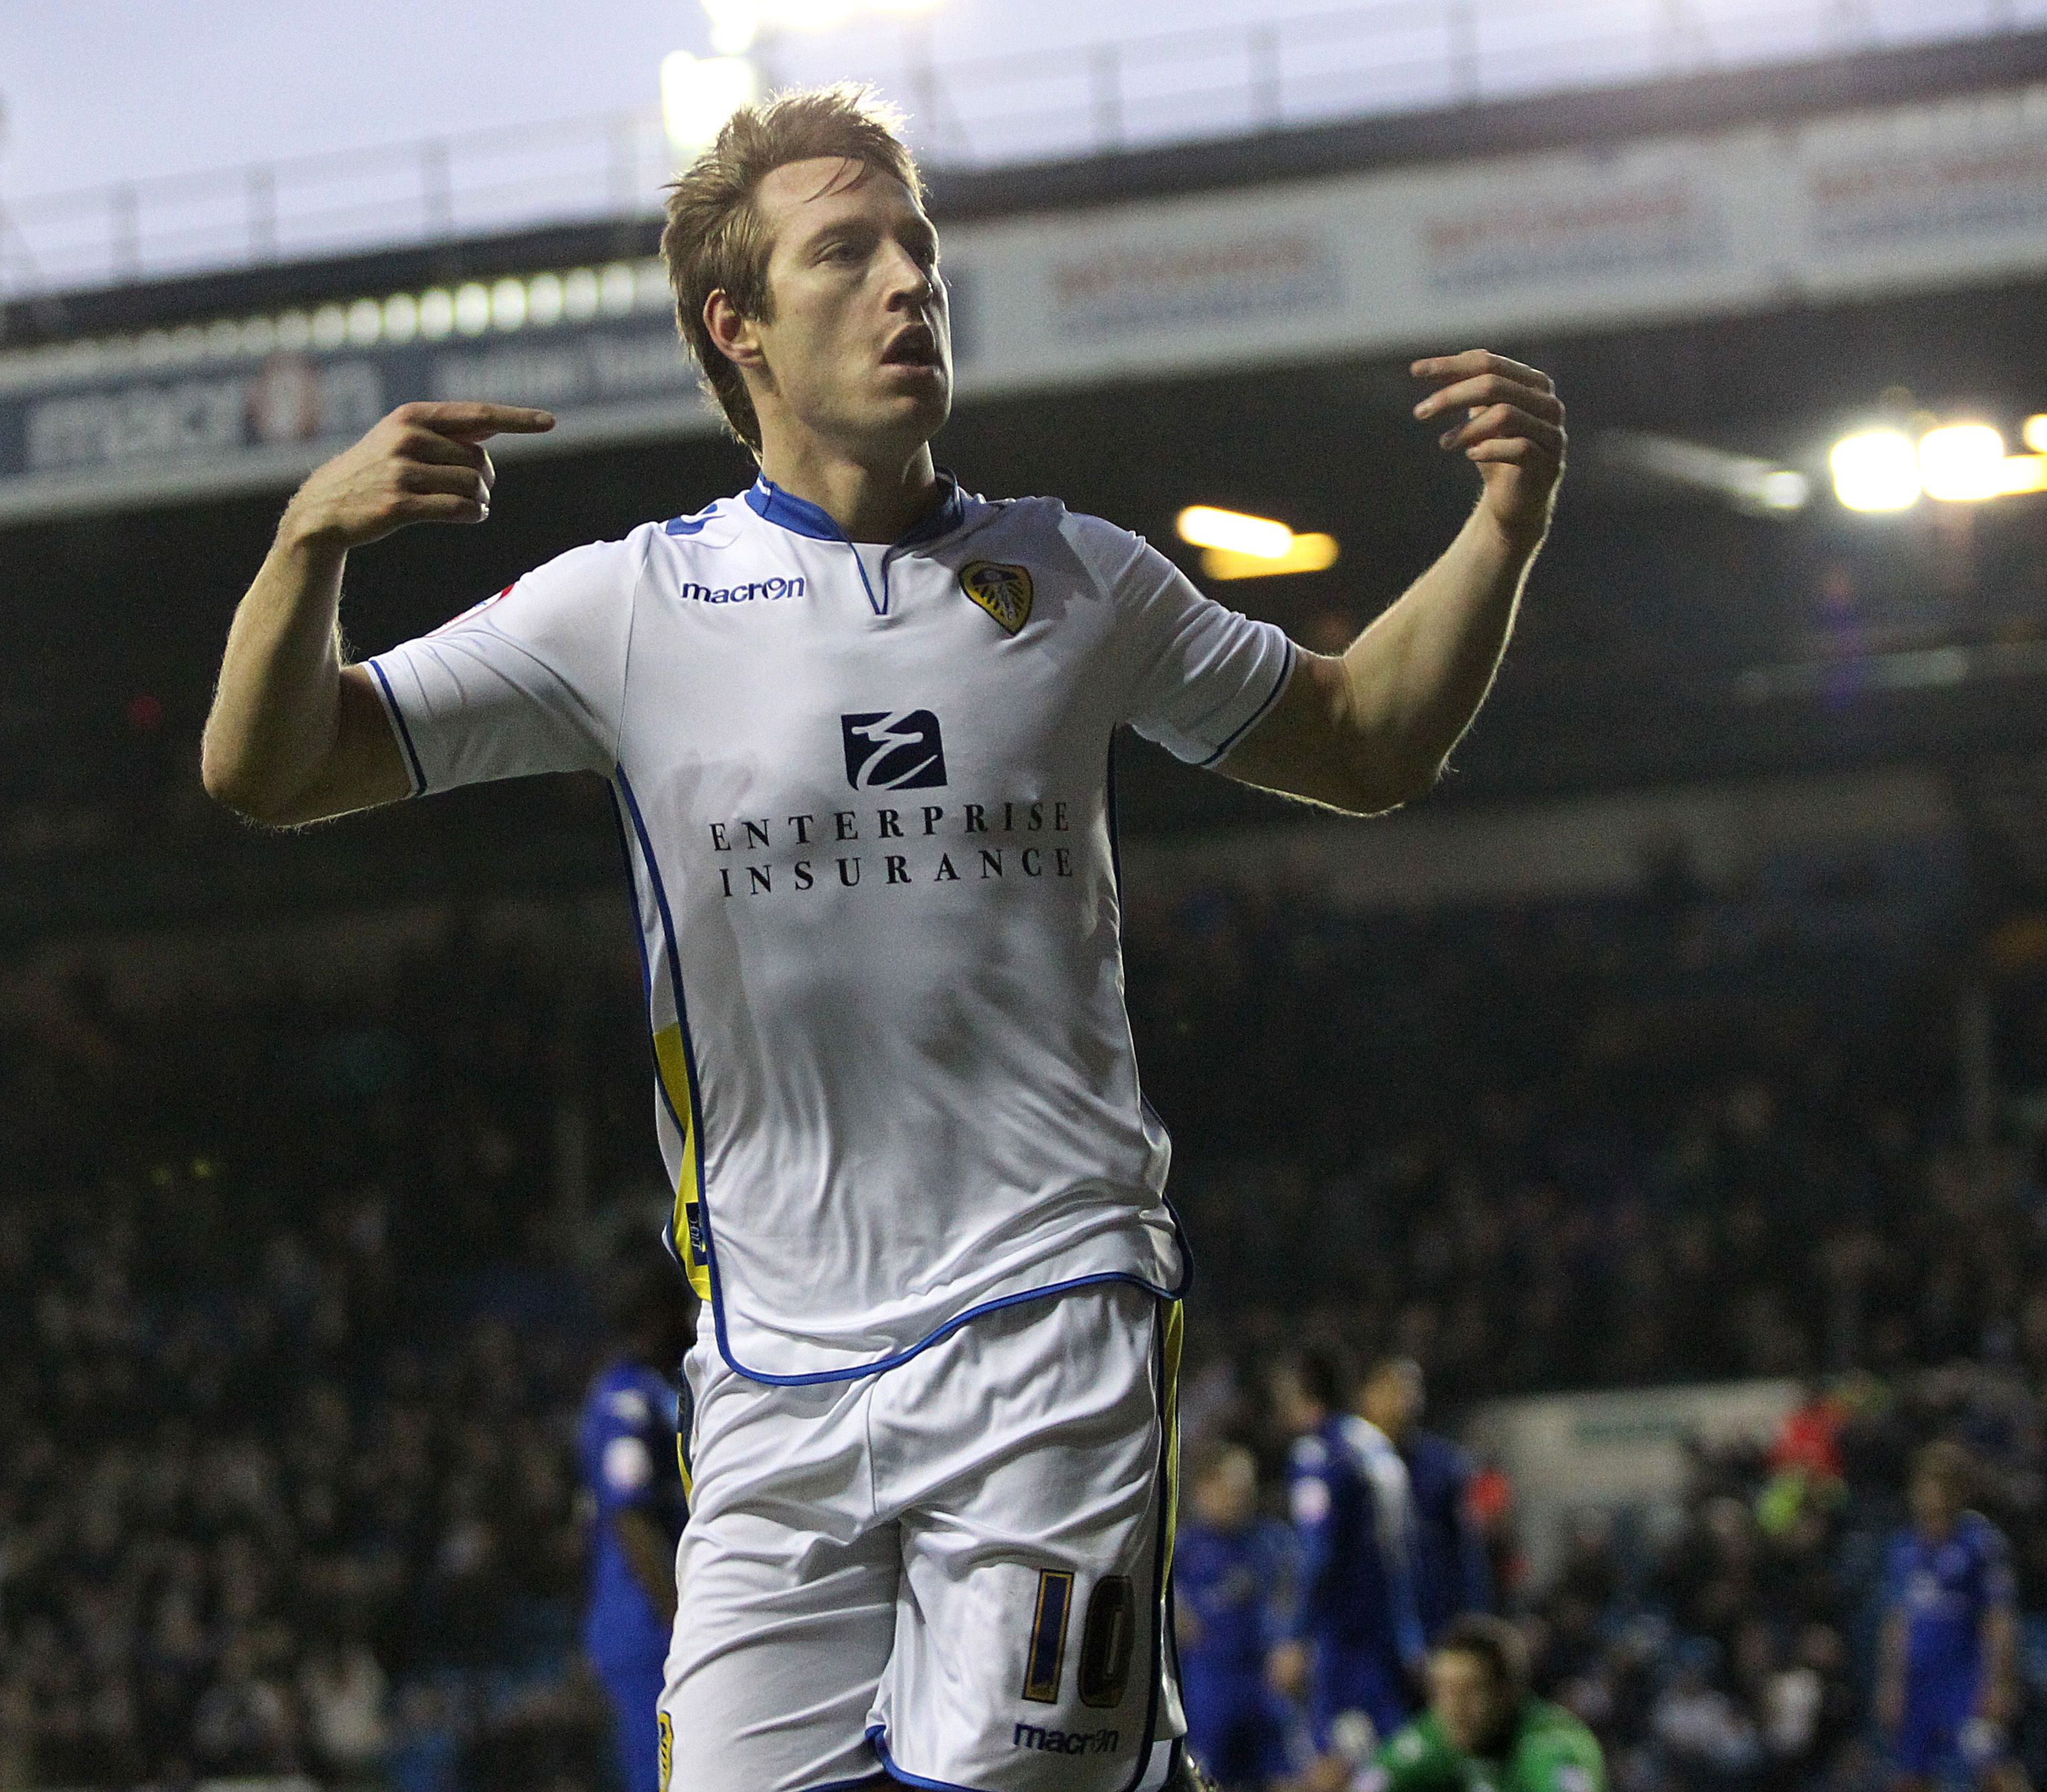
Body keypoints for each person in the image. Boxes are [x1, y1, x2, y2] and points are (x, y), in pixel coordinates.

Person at [200, 80, 1564, 1791]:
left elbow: (1365, 741)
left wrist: (1502, 529)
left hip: (1049, 1327)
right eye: (844, 254)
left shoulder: (1076, 579)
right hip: (771, 1373)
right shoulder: (631, 606)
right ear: (740, 327)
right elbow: (270, 765)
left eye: (916, 247)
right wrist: (305, 542)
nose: (909, 283)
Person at [1269, 1349, 1429, 1751]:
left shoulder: (1318, 1454)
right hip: (1394, 1637)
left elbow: (1318, 1554)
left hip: (1347, 1643)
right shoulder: (1375, 1446)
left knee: (1344, 1765)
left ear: (1300, 1392)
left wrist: (1295, 1636)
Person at [577, 1256, 697, 1792]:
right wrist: (677, 1619)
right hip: (649, 1624)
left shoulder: (668, 1387)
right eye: (681, 1308)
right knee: (661, 1775)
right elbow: (629, 1515)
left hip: (669, 1619)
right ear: (654, 1316)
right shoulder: (624, 1401)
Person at [1877, 1442, 2031, 1792]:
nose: (1933, 1494)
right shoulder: (1904, 1548)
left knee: (1994, 1769)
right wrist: (1891, 1682)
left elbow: (2000, 1618)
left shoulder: (1979, 1543)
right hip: (1918, 1682)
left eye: (1944, 1484)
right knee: (1910, 1779)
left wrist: (2000, 1681)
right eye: (1928, 1484)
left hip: (1966, 1677)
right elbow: (1897, 1622)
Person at [1307, 1616, 1606, 1792]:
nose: (1454, 1708)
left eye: (1470, 1691)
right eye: (1443, 1690)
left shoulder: (1550, 1744)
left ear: (1508, 1693)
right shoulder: (1436, 1736)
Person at [1172, 1443, 1298, 1789]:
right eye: (1232, 1486)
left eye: (1248, 1487)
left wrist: (1291, 1642)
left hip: (1264, 1685)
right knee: (1206, 1780)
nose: (1242, 1496)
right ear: (1205, 1489)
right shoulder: (1181, 1551)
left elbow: (1295, 1603)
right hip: (1209, 1687)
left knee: (1283, 1777)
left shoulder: (1275, 1543)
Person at [1360, 1358, 1494, 1638]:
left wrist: (1473, 1619)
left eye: (1412, 1390)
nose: (1404, 1401)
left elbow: (1466, 1551)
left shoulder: (1445, 1465)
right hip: (1369, 1628)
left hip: (1435, 1620)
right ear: (1368, 1397)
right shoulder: (1350, 1467)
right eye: (1393, 1391)